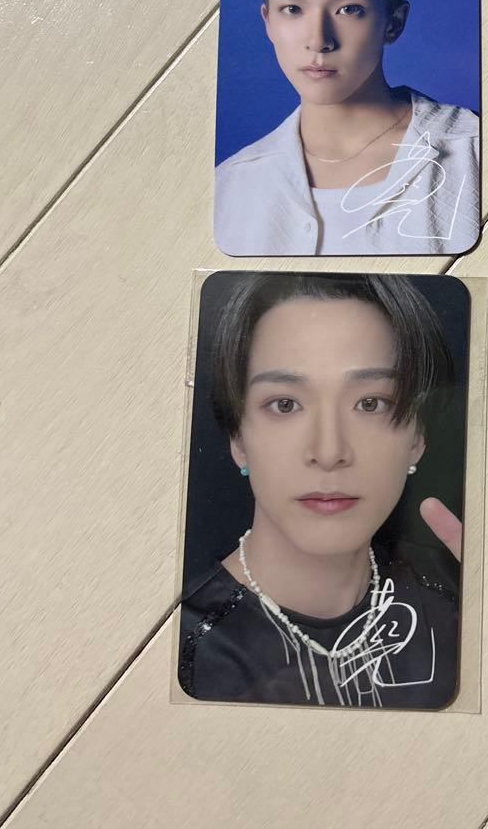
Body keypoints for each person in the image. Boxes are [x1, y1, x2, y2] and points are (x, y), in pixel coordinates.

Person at [179, 273, 464, 708]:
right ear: (238, 438)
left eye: (370, 403)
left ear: (417, 437)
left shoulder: (456, 591)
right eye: (285, 404)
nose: (329, 452)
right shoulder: (184, 647)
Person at [214, 0, 480, 256]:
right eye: (292, 9)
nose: (318, 41)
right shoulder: (231, 185)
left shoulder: (474, 152)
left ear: (393, 22)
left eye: (349, 9)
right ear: (268, 22)